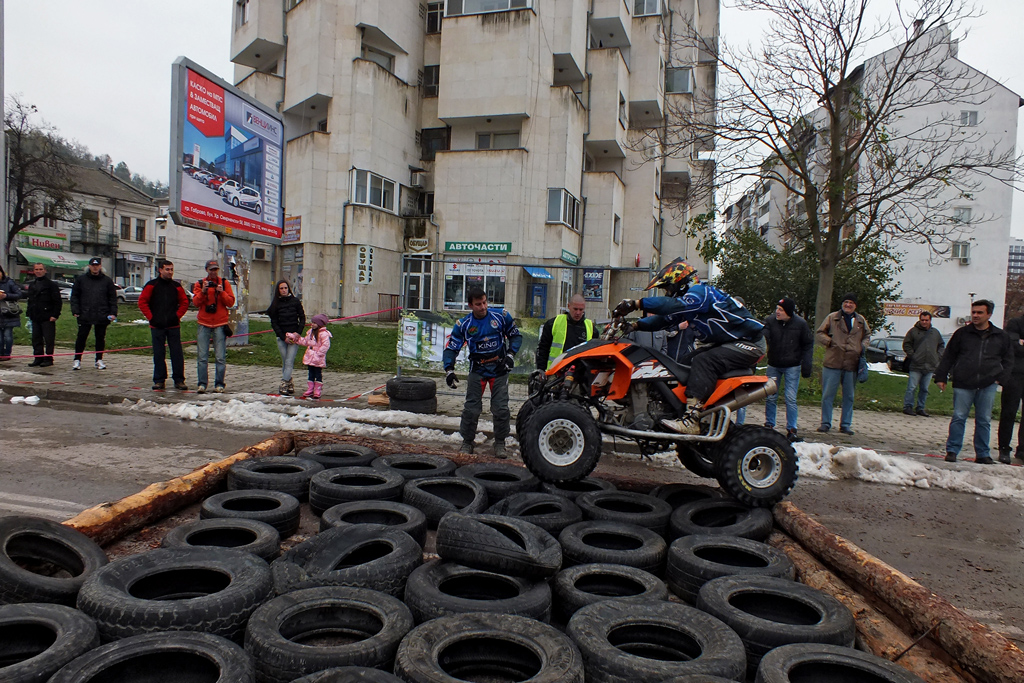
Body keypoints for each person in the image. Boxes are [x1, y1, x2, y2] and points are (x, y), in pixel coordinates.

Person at [612, 258, 766, 434]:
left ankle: (692, 419)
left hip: (750, 343)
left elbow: (673, 306)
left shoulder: (700, 292)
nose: (668, 293)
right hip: (729, 343)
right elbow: (664, 320)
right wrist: (635, 326)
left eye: (669, 288)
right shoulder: (690, 304)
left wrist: (636, 304)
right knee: (684, 362)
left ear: (681, 283)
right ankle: (674, 409)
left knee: (704, 360)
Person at [443, 287, 523, 458]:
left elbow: (516, 336)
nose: (483, 307)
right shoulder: (464, 324)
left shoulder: (501, 316)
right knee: (471, 409)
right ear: (470, 305)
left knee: (501, 409)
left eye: (485, 302)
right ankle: (467, 442)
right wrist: (449, 370)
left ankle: (500, 443)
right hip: (477, 370)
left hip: (499, 369)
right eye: (478, 304)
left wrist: (510, 355)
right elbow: (451, 348)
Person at [934, 299, 1013, 464]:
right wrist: (941, 376)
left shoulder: (1001, 336)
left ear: (989, 314)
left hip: (988, 383)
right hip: (963, 382)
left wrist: (1001, 378)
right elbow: (949, 355)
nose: (975, 315)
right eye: (974, 312)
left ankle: (983, 453)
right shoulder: (962, 334)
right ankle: (952, 450)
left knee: (984, 419)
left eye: (980, 312)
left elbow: (1008, 359)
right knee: (959, 417)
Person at [815, 293, 871, 435]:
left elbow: (867, 335)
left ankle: (845, 424)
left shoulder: (860, 321)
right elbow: (820, 333)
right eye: (846, 302)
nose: (848, 305)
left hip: (852, 363)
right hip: (833, 362)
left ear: (855, 305)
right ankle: (825, 423)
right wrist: (830, 342)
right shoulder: (832, 317)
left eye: (851, 302)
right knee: (828, 395)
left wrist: (862, 347)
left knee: (849, 396)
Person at [762, 297, 814, 442]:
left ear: (789, 312)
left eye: (781, 310)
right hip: (774, 364)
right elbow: (763, 334)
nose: (777, 312)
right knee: (770, 396)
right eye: (777, 309)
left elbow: (808, 344)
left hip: (792, 365)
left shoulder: (801, 324)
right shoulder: (770, 321)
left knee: (790, 398)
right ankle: (769, 425)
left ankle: (792, 429)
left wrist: (806, 365)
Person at [138, 260, 190, 391]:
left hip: (173, 325)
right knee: (158, 354)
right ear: (160, 270)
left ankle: (179, 380)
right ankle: (159, 380)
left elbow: (184, 302)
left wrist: (177, 316)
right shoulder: (151, 285)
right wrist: (151, 318)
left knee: (177, 353)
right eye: (167, 269)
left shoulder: (176, 286)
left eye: (171, 269)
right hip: (157, 326)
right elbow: (142, 302)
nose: (170, 272)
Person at [192, 259, 236, 394]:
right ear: (206, 270)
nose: (213, 272)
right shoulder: (200, 284)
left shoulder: (224, 283)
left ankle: (219, 383)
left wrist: (221, 292)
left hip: (220, 323)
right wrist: (203, 291)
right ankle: (202, 384)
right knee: (202, 356)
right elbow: (195, 303)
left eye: (215, 269)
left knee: (220, 357)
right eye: (211, 269)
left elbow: (230, 302)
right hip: (204, 322)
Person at [69, 257, 118, 370]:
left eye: (97, 265)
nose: (95, 268)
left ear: (100, 266)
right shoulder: (81, 280)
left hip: (102, 313)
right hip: (85, 313)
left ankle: (99, 359)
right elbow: (75, 296)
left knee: (100, 338)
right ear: (89, 266)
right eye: (93, 265)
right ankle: (77, 359)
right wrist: (75, 310)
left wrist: (113, 313)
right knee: (81, 337)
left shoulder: (107, 281)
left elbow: (112, 298)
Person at [266, 279, 306, 395]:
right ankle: (289, 383)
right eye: (281, 288)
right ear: (278, 290)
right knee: (285, 361)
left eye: (285, 288)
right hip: (282, 337)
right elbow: (274, 323)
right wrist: (283, 337)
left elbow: (302, 318)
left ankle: (283, 384)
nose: (284, 290)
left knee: (289, 361)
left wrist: (298, 333)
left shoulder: (295, 301)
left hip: (294, 337)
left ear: (288, 289)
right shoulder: (276, 304)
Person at [535, 294, 594, 370]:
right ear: (569, 306)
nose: (578, 313)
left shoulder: (590, 327)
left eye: (581, 310)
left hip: (581, 372)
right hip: (556, 371)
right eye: (575, 309)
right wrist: (541, 370)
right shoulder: (553, 323)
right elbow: (543, 349)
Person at [902, 311, 944, 417]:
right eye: (922, 320)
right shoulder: (913, 331)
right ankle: (908, 407)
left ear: (930, 320)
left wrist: (938, 356)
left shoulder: (935, 332)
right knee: (912, 387)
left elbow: (941, 345)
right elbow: (906, 344)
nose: (924, 322)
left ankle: (920, 408)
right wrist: (913, 356)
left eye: (926, 320)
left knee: (925, 389)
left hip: (930, 365)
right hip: (916, 365)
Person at [998, 311, 1024, 464]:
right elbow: (1014, 347)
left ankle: (1022, 450)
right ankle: (1004, 448)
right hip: (1015, 375)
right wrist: (1019, 344)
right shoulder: (1015, 323)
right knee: (1009, 412)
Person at [25, 262, 62, 367]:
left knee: (48, 339)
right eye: (36, 269)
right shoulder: (32, 284)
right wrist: (29, 313)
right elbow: (30, 300)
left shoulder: (51, 285)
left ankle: (49, 358)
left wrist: (55, 315)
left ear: (45, 270)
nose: (38, 271)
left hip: (47, 316)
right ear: (33, 271)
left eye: (40, 269)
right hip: (35, 315)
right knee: (36, 338)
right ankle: (38, 357)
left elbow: (57, 301)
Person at [286, 313, 332, 399]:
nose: (312, 324)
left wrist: (319, 354)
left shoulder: (324, 334)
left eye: (314, 323)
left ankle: (317, 389)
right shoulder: (310, 332)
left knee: (318, 373)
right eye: (312, 322)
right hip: (310, 356)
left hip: (318, 358)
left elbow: (326, 345)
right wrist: (295, 338)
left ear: (319, 324)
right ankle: (310, 388)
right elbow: (306, 341)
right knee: (310, 373)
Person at [0, 265, 23, 361]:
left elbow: (19, 294)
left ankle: (7, 353)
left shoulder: (9, 282)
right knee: (0, 338)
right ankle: (1, 354)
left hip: (9, 313)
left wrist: (6, 296)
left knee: (8, 336)